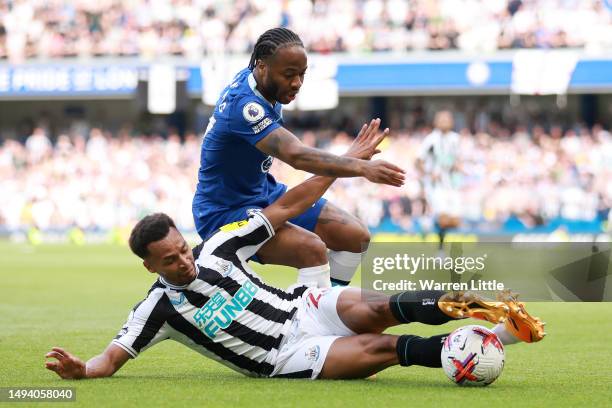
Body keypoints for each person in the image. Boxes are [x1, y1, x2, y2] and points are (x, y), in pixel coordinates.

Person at [46, 132, 545, 381]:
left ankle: (489, 310)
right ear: (150, 267)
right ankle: (481, 348)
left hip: (303, 307)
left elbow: (288, 205)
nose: (184, 261)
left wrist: (350, 161)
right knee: (383, 349)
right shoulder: (157, 310)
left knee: (379, 307)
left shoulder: (218, 245)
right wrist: (82, 371)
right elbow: (110, 359)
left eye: (182, 248)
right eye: (171, 260)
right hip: (286, 356)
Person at [192, 27, 405, 288]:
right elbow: (296, 155)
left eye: (302, 74)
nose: (297, 83)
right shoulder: (245, 108)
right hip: (224, 211)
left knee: (354, 236)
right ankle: (309, 324)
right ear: (261, 66)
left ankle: (324, 311)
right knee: (311, 249)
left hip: (261, 193)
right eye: (289, 74)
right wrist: (359, 166)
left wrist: (351, 160)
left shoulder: (262, 83)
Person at [416, 110, 462, 249]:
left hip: (452, 183)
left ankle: (428, 221)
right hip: (436, 185)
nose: (444, 122)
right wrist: (429, 174)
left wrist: (457, 165)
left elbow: (457, 158)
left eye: (447, 119)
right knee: (443, 219)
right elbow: (418, 161)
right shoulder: (431, 140)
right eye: (441, 120)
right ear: (435, 122)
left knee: (455, 222)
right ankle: (441, 249)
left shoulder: (455, 139)